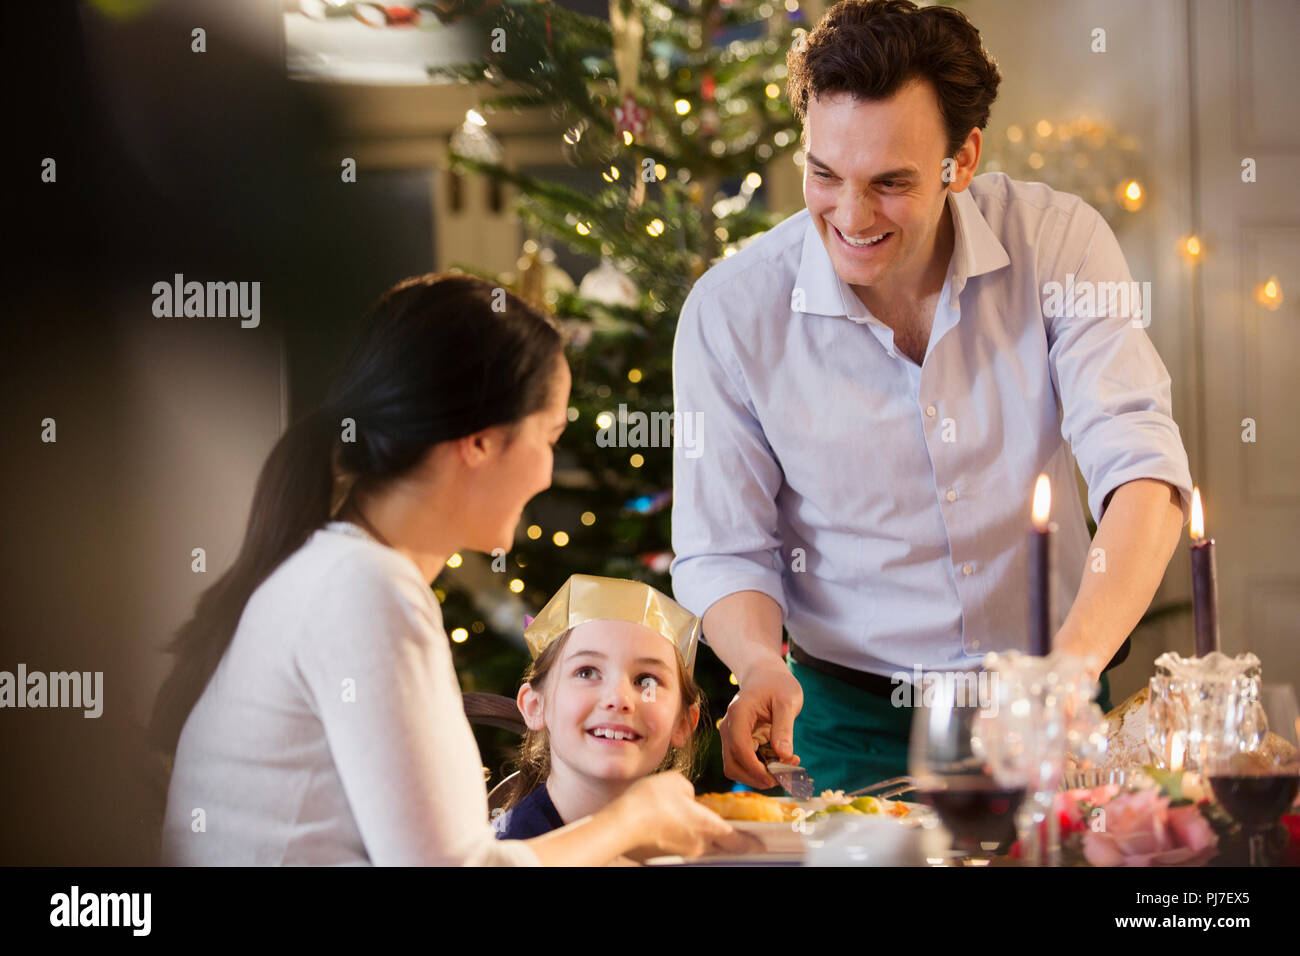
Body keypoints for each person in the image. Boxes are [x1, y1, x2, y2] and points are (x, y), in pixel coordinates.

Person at [670, 0, 1192, 793]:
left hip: (1050, 694)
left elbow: (1142, 468)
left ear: (964, 158)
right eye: (824, 175)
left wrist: (1070, 670)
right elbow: (724, 545)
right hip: (842, 721)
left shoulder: (1057, 243)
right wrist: (752, 662)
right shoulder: (732, 310)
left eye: (890, 183)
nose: (849, 216)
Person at [152, 273, 747, 865]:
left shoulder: (341, 569)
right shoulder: (364, 587)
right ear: (480, 442)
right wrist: (630, 821)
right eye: (548, 436)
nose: (546, 473)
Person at [494, 574, 707, 841]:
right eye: (586, 672)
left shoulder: (701, 846)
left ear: (684, 722)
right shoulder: (506, 853)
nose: (618, 699)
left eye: (646, 680)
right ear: (536, 705)